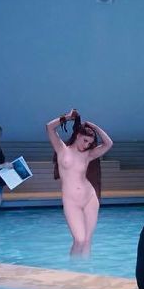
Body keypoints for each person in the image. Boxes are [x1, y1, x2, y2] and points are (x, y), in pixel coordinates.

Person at [47, 109, 113, 256]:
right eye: (85, 140)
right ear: (78, 135)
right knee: (79, 240)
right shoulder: (61, 149)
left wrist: (94, 127)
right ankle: (73, 268)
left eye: (89, 143)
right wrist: (67, 117)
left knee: (87, 240)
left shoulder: (88, 155)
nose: (86, 145)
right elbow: (49, 127)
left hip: (89, 198)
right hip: (71, 202)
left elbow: (109, 144)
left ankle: (86, 269)